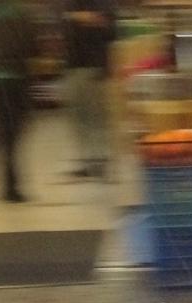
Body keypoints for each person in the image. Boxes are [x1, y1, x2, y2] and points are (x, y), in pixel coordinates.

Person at [61, 0, 116, 180]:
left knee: (96, 117)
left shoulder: (102, 3)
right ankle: (86, 162)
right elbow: (62, 22)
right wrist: (80, 18)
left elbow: (112, 31)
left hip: (93, 67)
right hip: (72, 66)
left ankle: (100, 162)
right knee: (78, 117)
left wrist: (87, 18)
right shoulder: (68, 3)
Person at [0, 0, 36, 202]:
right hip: (16, 76)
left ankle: (9, 184)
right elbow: (31, 45)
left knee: (7, 133)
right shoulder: (21, 12)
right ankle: (10, 187)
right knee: (13, 132)